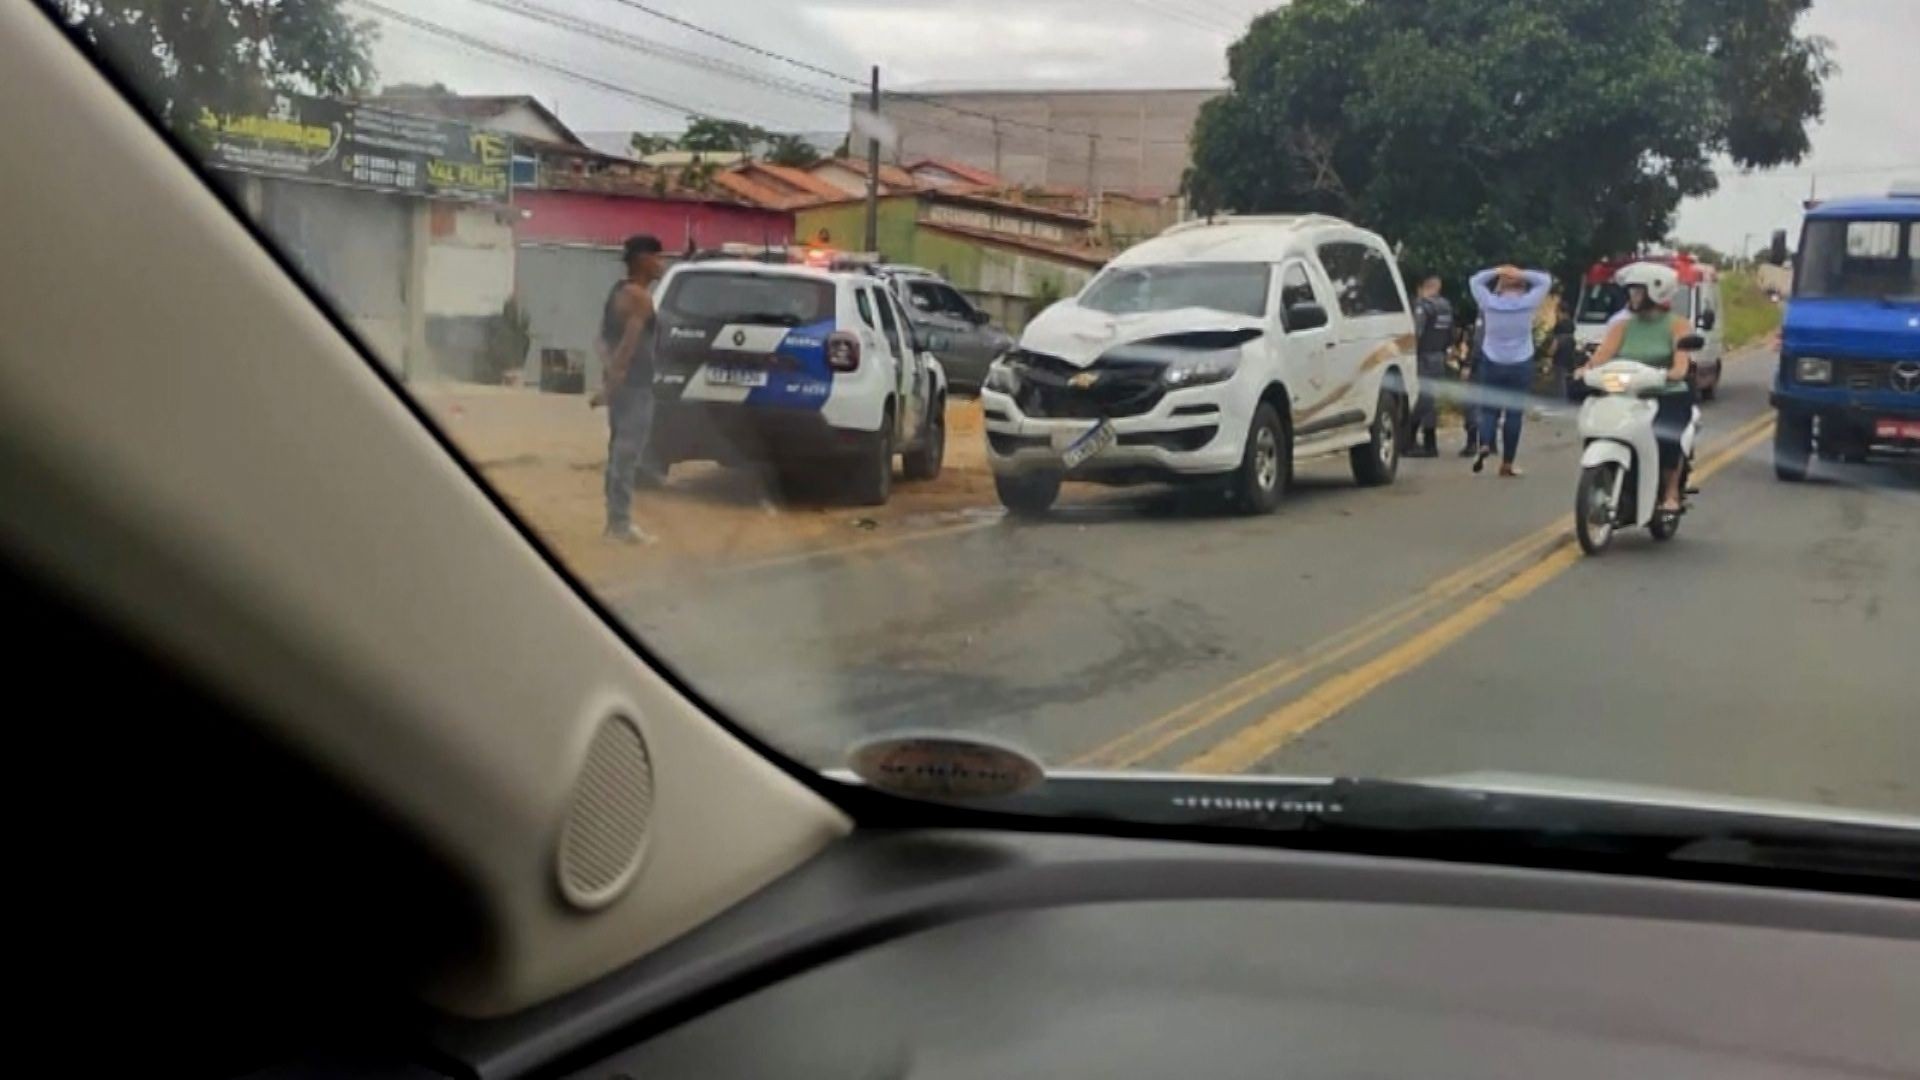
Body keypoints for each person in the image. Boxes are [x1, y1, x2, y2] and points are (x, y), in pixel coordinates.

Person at [1574, 262, 1696, 514]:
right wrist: (1586, 370)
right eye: (1631, 291)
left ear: (1657, 292)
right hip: (1627, 392)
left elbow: (1680, 366)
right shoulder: (1622, 326)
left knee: (1666, 437)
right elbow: (1602, 356)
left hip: (1666, 392)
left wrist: (1670, 374)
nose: (1633, 296)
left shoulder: (1678, 325)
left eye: (1638, 291)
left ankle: (1670, 492)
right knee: (1601, 425)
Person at [597, 234, 667, 544]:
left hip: (623, 386)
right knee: (626, 457)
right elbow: (628, 344)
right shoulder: (641, 298)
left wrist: (609, 379)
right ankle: (620, 527)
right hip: (636, 386)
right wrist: (615, 380)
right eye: (657, 257)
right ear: (642, 260)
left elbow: (601, 340)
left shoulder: (616, 292)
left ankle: (614, 522)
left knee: (617, 455)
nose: (661, 263)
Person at [1467, 264, 1554, 476]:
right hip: (1520, 362)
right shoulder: (1528, 303)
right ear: (1522, 287)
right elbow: (1545, 280)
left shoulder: (1489, 302)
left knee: (1489, 409)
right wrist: (1521, 273)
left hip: (1492, 359)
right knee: (1514, 413)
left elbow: (1475, 280)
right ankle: (1507, 463)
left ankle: (1485, 442)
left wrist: (1498, 270)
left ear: (1500, 286)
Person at [1406, 275, 1453, 457]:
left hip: (1423, 357)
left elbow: (1416, 333)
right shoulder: (1446, 307)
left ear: (1421, 288)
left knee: (1421, 400)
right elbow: (1450, 334)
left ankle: (1409, 440)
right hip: (1438, 357)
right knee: (1430, 400)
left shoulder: (1423, 306)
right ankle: (1430, 443)